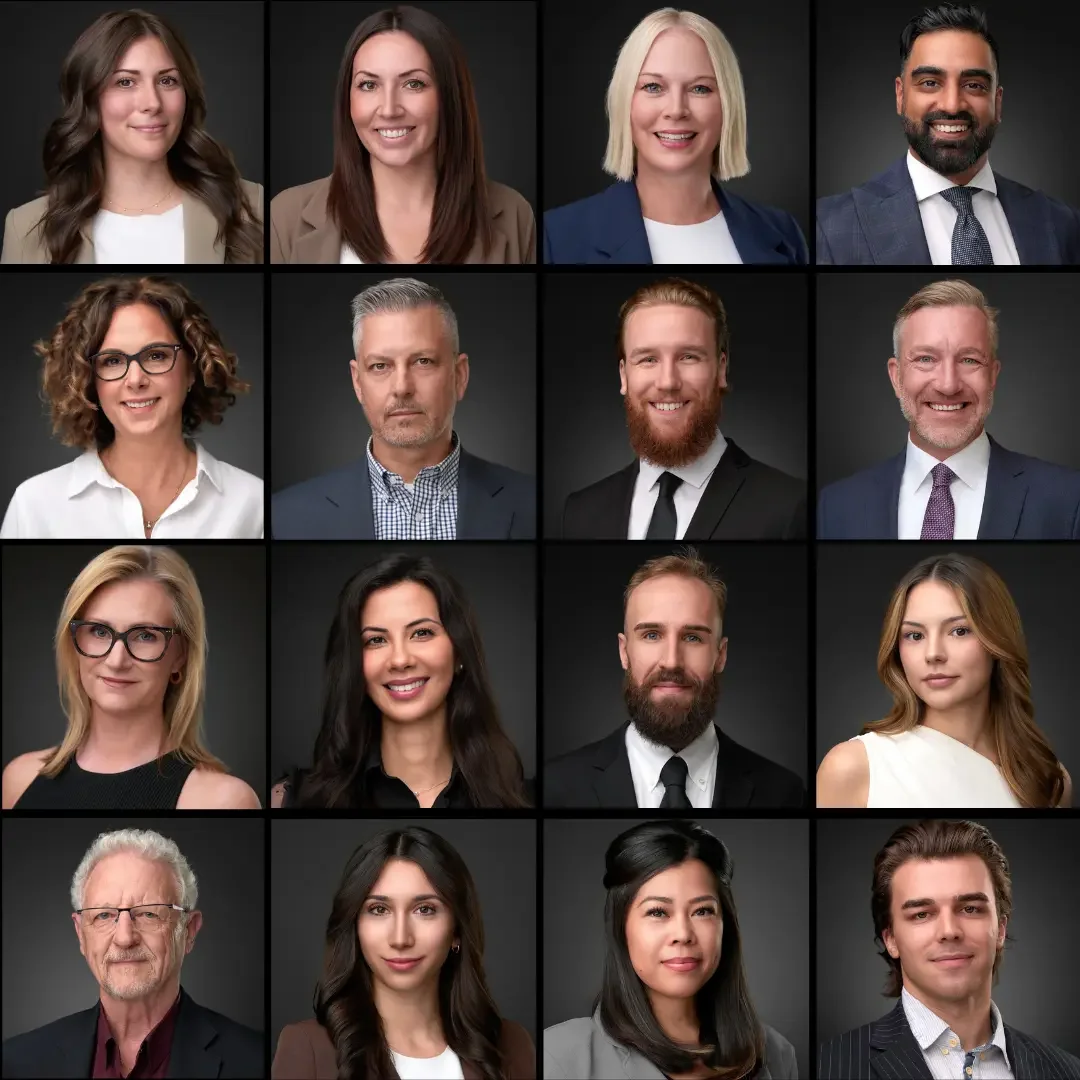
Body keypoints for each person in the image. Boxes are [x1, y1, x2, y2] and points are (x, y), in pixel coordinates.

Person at [0, 275, 264, 540]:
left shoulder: (253, 503)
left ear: (192, 369)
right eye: (113, 360)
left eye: (157, 355)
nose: (136, 380)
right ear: (90, 379)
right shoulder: (34, 505)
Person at [816, 3, 1080, 265]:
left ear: (997, 103)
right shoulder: (827, 226)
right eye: (930, 83)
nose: (952, 104)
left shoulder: (1062, 224)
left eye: (974, 85)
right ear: (900, 96)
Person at [271, 278, 535, 539]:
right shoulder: (285, 517)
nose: (401, 387)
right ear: (357, 381)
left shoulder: (533, 505)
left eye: (423, 361)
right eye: (380, 366)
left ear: (459, 376)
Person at [1, 545, 261, 810]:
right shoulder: (20, 778)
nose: (116, 661)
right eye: (99, 631)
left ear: (180, 655)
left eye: (145, 635)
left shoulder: (220, 800)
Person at [270, 5, 534, 264]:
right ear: (347, 101)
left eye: (413, 83)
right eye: (369, 84)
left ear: (449, 97)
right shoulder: (285, 215)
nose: (389, 109)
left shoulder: (514, 214)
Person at [817, 279, 1080, 539]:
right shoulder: (835, 506)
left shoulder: (1068, 499)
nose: (948, 385)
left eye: (969, 360)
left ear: (993, 376)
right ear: (896, 378)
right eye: (926, 359)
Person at [817, 819, 1080, 1079]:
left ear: (1000, 929)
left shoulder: (1067, 1071)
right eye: (921, 914)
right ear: (891, 939)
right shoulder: (828, 1066)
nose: (949, 931)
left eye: (970, 909)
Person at [543, 8, 806, 265]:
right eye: (653, 87)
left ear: (728, 104)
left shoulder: (782, 231)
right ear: (625, 102)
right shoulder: (554, 236)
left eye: (700, 88)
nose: (677, 110)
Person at [544, 549, 804, 809]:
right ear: (624, 652)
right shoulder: (553, 787)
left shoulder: (784, 793)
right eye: (652, 635)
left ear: (720, 655)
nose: (671, 661)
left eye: (692, 637)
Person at [272, 826, 535, 1079]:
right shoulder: (308, 1047)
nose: (400, 938)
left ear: (457, 929)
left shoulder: (512, 1044)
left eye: (425, 909)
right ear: (355, 925)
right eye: (378, 910)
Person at [1, 9, 262, 264]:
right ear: (89, 97)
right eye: (125, 82)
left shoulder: (252, 206)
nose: (152, 103)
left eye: (167, 81)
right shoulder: (25, 229)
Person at [272, 553, 531, 809]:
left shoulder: (524, 800)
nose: (399, 660)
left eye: (421, 633)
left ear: (459, 652)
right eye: (376, 640)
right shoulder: (291, 801)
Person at [1, 828, 263, 1079]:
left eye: (149, 913)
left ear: (189, 931)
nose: (125, 938)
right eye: (104, 915)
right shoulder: (16, 1063)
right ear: (81, 934)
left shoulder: (256, 1061)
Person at [816, 553, 1071, 810]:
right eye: (915, 635)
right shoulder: (853, 766)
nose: (933, 653)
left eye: (959, 631)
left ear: (997, 640)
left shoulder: (1048, 777)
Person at [544, 819, 796, 1079]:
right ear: (621, 927)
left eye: (702, 911)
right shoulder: (559, 1057)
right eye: (657, 912)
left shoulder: (776, 1054)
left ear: (726, 925)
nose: (683, 934)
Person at [562, 278, 805, 540]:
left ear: (721, 369)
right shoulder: (579, 512)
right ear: (624, 376)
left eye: (688, 356)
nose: (668, 382)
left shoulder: (791, 506)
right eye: (648, 359)